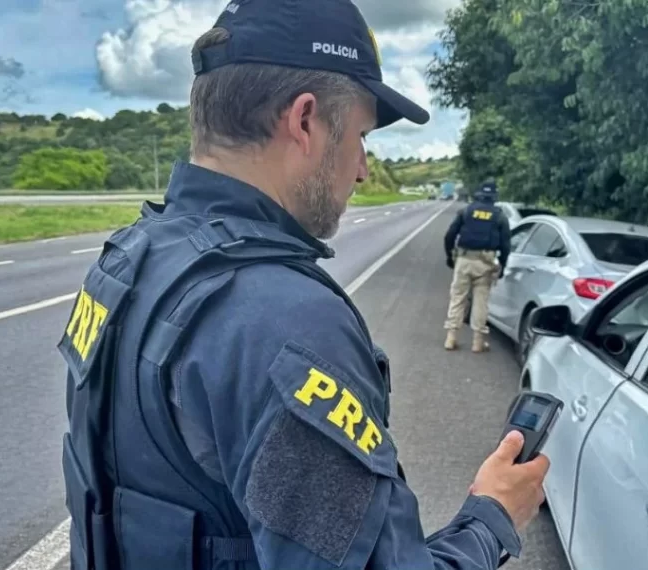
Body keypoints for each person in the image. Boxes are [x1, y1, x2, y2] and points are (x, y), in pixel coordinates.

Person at [56, 1, 549, 569]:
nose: (363, 167)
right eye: (361, 135)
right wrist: (490, 520)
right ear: (305, 120)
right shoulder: (288, 323)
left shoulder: (125, 261)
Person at [443, 180, 511, 352]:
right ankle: (477, 342)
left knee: (458, 297)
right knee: (481, 302)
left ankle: (451, 338)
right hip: (486, 263)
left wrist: (450, 256)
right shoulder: (499, 216)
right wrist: (503, 264)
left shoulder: (466, 211)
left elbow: (449, 235)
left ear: (479, 194)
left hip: (464, 260)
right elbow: (506, 245)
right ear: (495, 196)